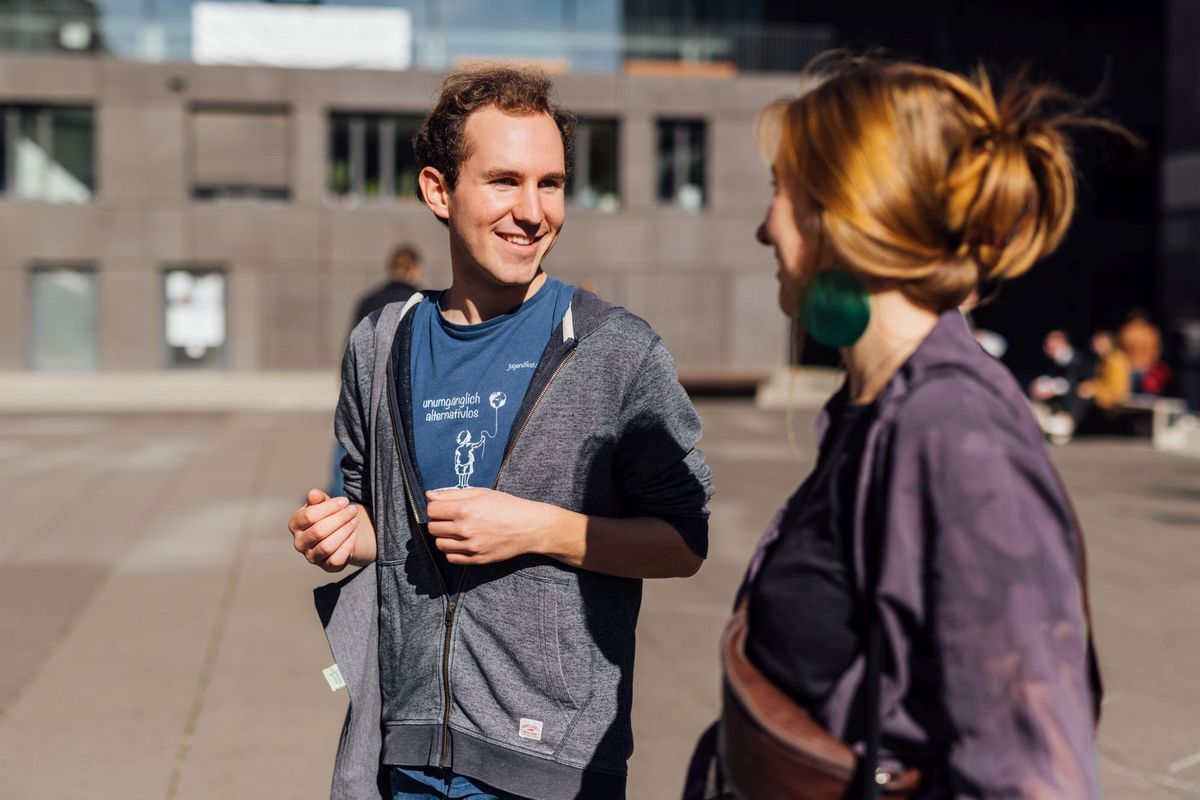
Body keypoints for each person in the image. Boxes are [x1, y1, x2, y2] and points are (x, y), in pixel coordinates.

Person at [289, 67, 713, 800]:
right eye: (505, 181)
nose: (533, 211)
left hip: (549, 766)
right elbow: (382, 523)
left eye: (550, 184)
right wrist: (345, 532)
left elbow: (683, 541)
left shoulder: (615, 351)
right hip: (404, 749)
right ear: (438, 191)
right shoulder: (381, 343)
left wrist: (536, 529)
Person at [728, 57, 1105, 796]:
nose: (763, 228)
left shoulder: (956, 434)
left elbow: (1033, 774)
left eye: (780, 190)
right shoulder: (877, 409)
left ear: (843, 213)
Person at [329, 245, 424, 497]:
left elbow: (352, 351)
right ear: (414, 269)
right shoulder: (421, 304)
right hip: (404, 393)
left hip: (367, 387)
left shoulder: (368, 301)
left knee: (349, 451)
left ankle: (341, 505)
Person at [1028, 329, 1094, 443]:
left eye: (1053, 342)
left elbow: (1081, 388)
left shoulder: (1080, 360)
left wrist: (1056, 390)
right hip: (1051, 407)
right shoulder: (1047, 361)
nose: (1049, 346)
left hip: (1071, 410)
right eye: (1047, 343)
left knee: (1057, 429)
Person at [1078, 329, 1131, 410]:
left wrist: (1094, 391)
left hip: (1112, 408)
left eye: (1100, 343)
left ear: (1110, 343)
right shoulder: (1101, 360)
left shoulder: (1116, 361)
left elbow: (1117, 392)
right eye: (1094, 343)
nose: (1096, 346)